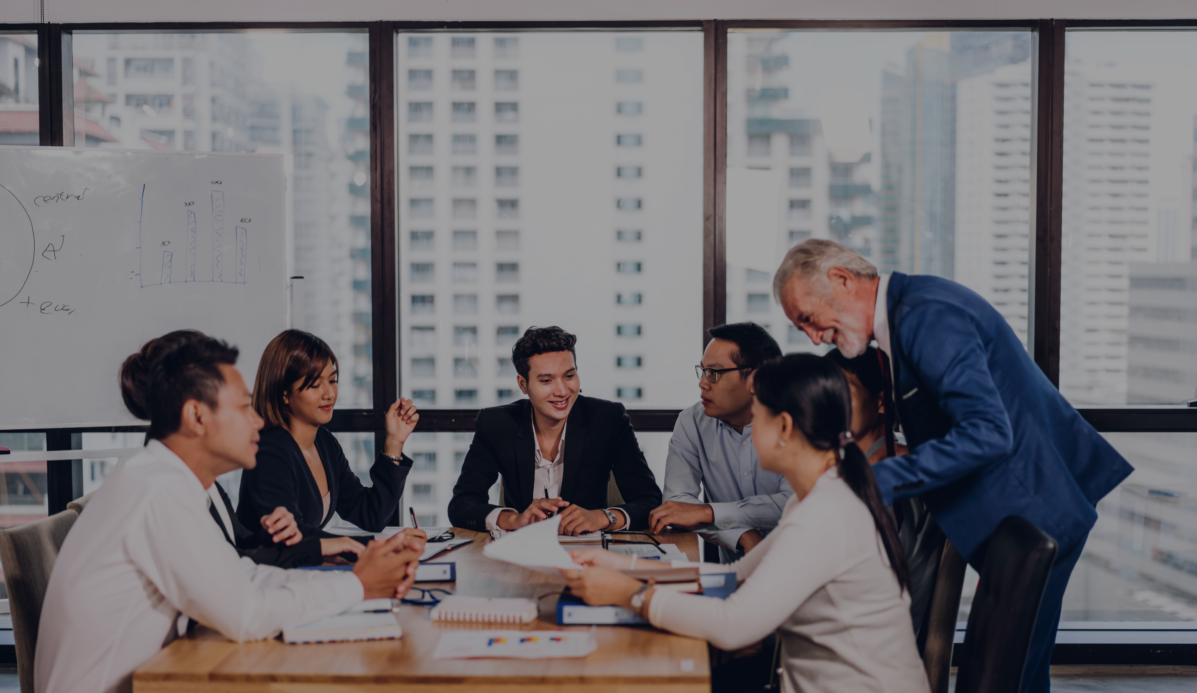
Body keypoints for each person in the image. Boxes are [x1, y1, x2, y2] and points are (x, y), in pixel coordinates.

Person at [775, 239, 1134, 693]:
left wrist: (873, 481)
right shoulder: (907, 317)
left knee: (1011, 678)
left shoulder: (926, 316)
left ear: (842, 281)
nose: (812, 336)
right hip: (1021, 511)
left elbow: (987, 431)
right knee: (1019, 674)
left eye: (807, 318)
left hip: (1035, 506)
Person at [35, 331, 424, 693]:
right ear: (197, 416)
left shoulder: (161, 479)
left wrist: (356, 580)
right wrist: (358, 585)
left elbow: (244, 576)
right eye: (242, 406)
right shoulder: (158, 491)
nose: (257, 418)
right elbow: (246, 613)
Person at [564, 354, 930, 693]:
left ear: (783, 427)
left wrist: (630, 594)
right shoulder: (817, 498)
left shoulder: (825, 514)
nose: (750, 430)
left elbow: (731, 624)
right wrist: (624, 567)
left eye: (759, 415)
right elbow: (734, 576)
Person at [448, 326, 662, 534]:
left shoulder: (608, 419)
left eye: (569, 376)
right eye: (547, 380)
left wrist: (602, 517)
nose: (562, 391)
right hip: (521, 554)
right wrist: (514, 519)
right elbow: (462, 504)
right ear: (523, 384)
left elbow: (650, 502)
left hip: (589, 555)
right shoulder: (495, 424)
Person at [238, 330, 418, 553]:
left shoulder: (324, 442)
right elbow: (293, 536)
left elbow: (369, 514)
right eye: (315, 384)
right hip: (267, 578)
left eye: (333, 380)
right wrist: (378, 546)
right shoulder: (269, 452)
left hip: (304, 572)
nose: (329, 394)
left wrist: (394, 442)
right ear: (284, 393)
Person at [825, 346, 944, 646]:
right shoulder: (869, 458)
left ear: (880, 401)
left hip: (875, 636)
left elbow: (872, 574)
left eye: (844, 390)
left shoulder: (889, 467)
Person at [649, 322, 792, 563]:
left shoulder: (795, 419)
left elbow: (792, 502)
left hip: (803, 570)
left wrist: (707, 511)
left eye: (713, 373)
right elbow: (678, 506)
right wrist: (740, 534)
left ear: (755, 381)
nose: (702, 383)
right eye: (702, 371)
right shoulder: (692, 422)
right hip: (735, 574)